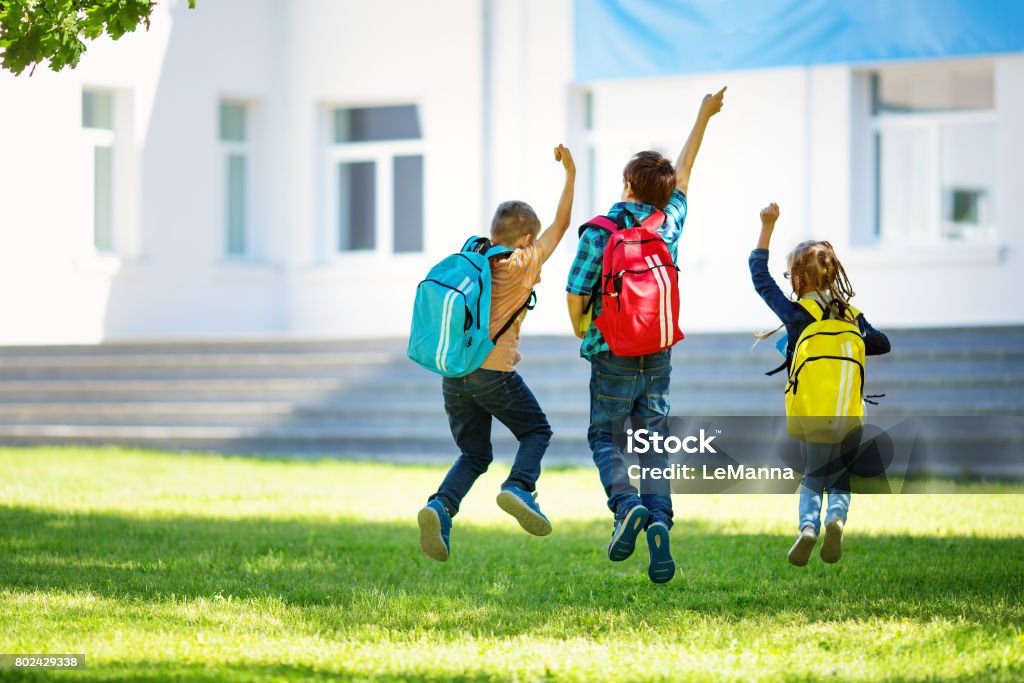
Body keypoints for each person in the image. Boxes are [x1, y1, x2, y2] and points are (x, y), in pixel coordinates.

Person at [566, 88, 726, 583]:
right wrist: (703, 115)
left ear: (626, 186)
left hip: (609, 350)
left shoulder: (600, 229)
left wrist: (582, 330)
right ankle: (658, 522)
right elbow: (687, 171)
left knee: (603, 435)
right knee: (652, 441)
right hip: (657, 352)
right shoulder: (668, 223)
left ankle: (626, 504)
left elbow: (576, 291)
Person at [417, 145, 576, 563]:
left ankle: (440, 507)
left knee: (474, 453)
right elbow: (562, 224)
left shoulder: (474, 257)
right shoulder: (523, 263)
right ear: (525, 238)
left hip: (455, 374)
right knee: (537, 432)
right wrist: (570, 173)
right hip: (495, 373)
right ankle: (520, 486)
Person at [750, 202, 891, 566]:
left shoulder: (798, 315)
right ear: (833, 276)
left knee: (814, 473)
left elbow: (759, 277)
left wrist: (767, 226)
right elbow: (882, 344)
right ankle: (836, 518)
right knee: (840, 475)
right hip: (847, 412)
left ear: (799, 279)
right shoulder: (852, 315)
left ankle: (809, 526)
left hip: (812, 412)